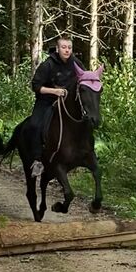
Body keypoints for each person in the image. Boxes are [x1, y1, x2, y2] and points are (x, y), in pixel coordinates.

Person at [30, 36, 85, 178]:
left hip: (68, 102)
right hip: (46, 101)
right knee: (35, 125)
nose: (67, 50)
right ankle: (37, 160)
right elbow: (35, 86)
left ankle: (82, 156)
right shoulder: (47, 65)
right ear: (57, 49)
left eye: (69, 47)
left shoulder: (76, 63)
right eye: (64, 47)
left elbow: (84, 77)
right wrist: (54, 91)